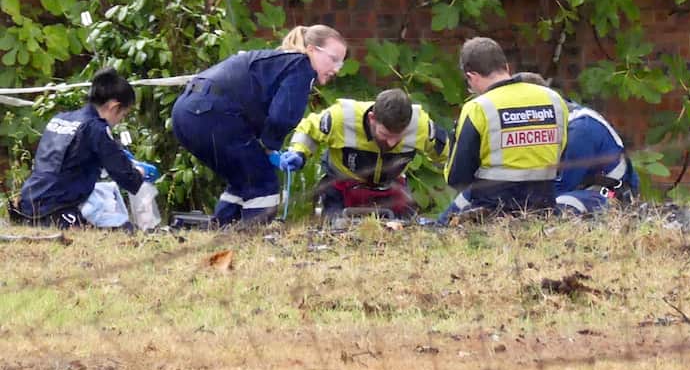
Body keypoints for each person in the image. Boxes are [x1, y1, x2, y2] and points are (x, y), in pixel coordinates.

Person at [172, 25, 346, 225]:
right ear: (312, 50)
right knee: (263, 182)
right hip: (211, 114)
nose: (336, 69)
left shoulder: (278, 62)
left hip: (185, 113)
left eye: (341, 63)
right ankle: (254, 237)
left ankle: (222, 229)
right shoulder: (302, 66)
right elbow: (283, 116)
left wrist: (265, 148)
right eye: (333, 59)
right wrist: (270, 146)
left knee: (243, 180)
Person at [12, 69, 158, 229]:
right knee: (126, 230)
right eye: (123, 115)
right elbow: (128, 179)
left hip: (28, 204)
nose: (120, 121)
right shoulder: (96, 128)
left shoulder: (61, 118)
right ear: (114, 107)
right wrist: (141, 171)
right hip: (53, 212)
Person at [443, 38, 568, 216]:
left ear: (472, 76)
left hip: (493, 210)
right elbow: (561, 154)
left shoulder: (478, 108)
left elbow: (457, 177)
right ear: (507, 67)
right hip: (543, 207)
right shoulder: (553, 99)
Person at [283, 88, 450, 219]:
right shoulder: (341, 117)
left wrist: (454, 171)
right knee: (334, 231)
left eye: (398, 136)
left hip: (390, 186)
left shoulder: (421, 126)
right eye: (385, 134)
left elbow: (448, 155)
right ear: (372, 118)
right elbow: (310, 130)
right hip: (343, 185)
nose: (391, 143)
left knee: (406, 231)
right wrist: (298, 153)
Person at [513, 72, 638, 208]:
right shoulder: (560, 122)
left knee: (553, 205)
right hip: (583, 192)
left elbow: (561, 187)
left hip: (609, 196)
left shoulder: (581, 128)